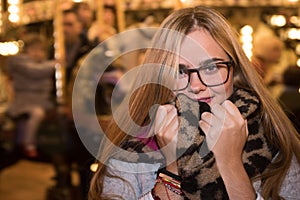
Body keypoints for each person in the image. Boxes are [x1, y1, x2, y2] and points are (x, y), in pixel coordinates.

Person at [88, 6, 300, 200]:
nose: (197, 85)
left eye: (211, 68)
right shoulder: (133, 149)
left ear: (234, 70)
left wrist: (230, 164)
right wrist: (172, 165)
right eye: (180, 71)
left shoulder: (272, 139)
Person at [5, 33, 55, 158]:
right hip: (25, 100)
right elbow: (35, 72)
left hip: (40, 99)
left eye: (41, 50)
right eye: (33, 50)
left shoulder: (42, 64)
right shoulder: (21, 62)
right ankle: (28, 143)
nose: (38, 53)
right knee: (37, 113)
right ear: (26, 51)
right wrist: (55, 64)